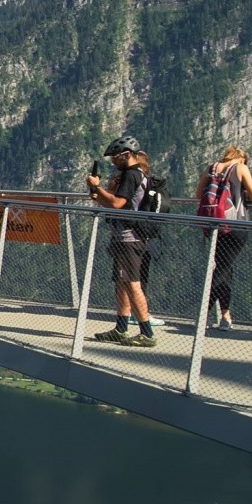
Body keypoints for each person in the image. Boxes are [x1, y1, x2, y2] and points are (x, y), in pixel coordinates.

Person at [86, 135, 158, 347]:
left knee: (132, 284)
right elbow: (114, 203)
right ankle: (121, 328)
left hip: (128, 237)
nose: (113, 162)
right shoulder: (139, 174)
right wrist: (97, 193)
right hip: (127, 235)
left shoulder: (130, 175)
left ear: (127, 155)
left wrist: (98, 188)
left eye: (115, 158)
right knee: (122, 283)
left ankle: (147, 333)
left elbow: (117, 203)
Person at [196, 145, 252, 330]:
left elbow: (198, 194)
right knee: (223, 269)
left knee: (225, 268)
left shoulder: (212, 167)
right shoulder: (240, 168)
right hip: (237, 225)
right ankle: (204, 314)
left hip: (216, 225)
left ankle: (225, 316)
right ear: (242, 158)